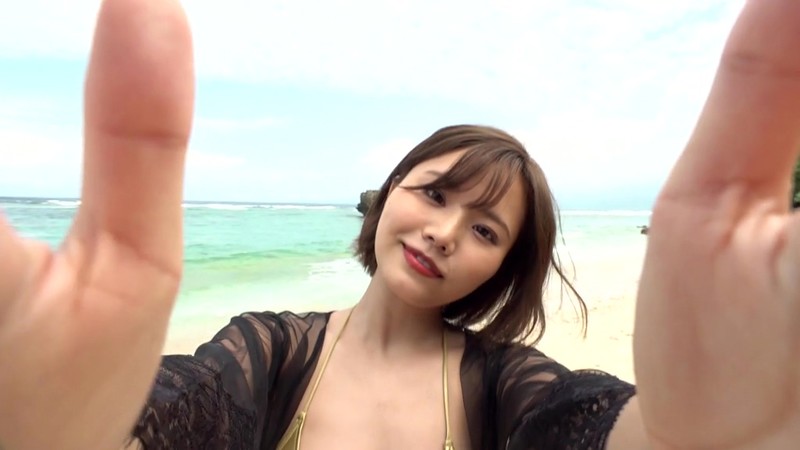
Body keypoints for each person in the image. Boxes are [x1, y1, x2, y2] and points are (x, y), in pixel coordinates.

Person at [0, 0, 798, 449]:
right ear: (385, 197)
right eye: (435, 194)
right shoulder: (267, 352)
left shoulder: (505, 387)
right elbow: (175, 409)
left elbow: (599, 428)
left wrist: (687, 433)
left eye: (486, 231)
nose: (446, 232)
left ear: (503, 269)